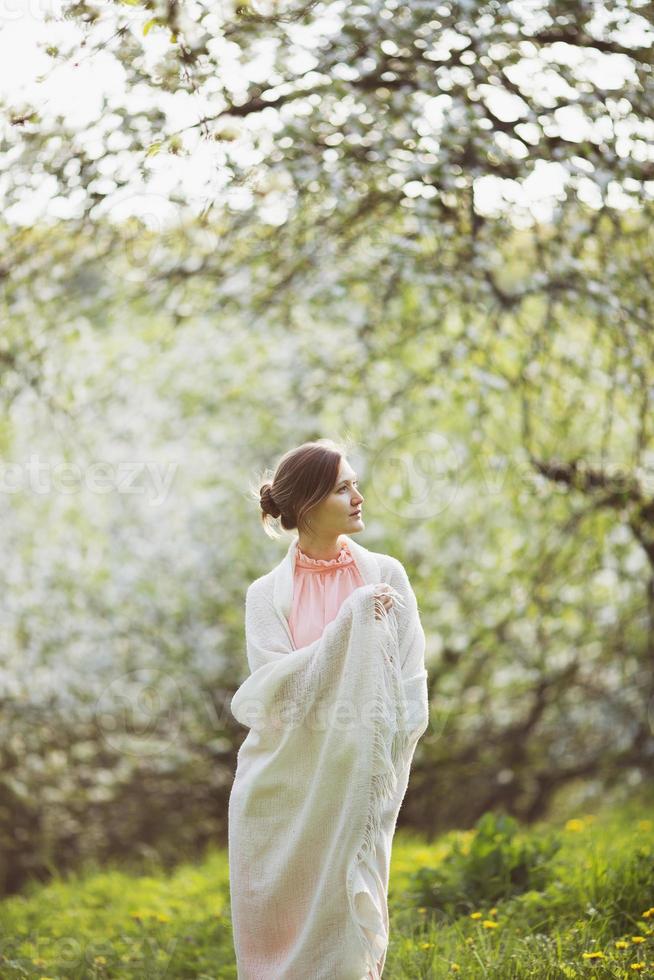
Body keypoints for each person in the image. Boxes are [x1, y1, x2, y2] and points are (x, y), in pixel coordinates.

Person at [228, 438, 430, 979]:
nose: (359, 497)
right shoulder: (266, 595)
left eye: (355, 483)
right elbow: (275, 694)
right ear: (308, 505)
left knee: (346, 917)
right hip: (283, 785)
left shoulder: (385, 577)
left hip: (358, 779)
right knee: (279, 923)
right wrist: (351, 624)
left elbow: (410, 689)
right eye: (344, 488)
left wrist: (380, 765)